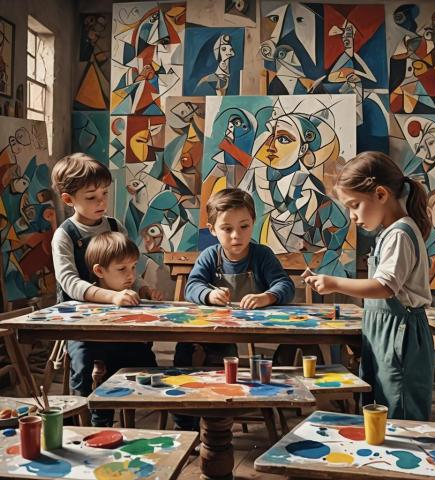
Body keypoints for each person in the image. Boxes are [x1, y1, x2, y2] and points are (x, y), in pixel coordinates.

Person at [303, 151, 434, 421]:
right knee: (378, 406)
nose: (351, 216)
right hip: (381, 333)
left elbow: (385, 286)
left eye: (354, 205)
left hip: (400, 336)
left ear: (381, 194)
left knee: (400, 409)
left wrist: (333, 283)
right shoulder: (389, 233)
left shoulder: (400, 233)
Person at [51, 153, 161, 426]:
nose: (101, 201)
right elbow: (70, 282)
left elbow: (125, 268)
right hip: (79, 323)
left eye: (104, 193)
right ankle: (81, 422)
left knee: (138, 355)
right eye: (91, 197)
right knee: (83, 364)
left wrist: (142, 287)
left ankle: (112, 415)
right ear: (68, 200)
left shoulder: (115, 226)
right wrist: (112, 297)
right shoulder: (65, 235)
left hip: (118, 321)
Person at [173, 188, 296, 430]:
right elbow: (192, 286)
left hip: (255, 330)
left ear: (252, 224)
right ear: (212, 230)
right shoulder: (210, 256)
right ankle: (188, 423)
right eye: (226, 229)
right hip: (218, 332)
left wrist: (267, 297)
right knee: (189, 350)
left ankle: (222, 417)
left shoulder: (262, 255)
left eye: (244, 227)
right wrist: (209, 294)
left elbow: (285, 285)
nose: (236, 235)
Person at [82, 231, 158, 425]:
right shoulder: (91, 299)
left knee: (151, 366)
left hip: (135, 358)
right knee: (100, 379)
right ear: (99, 271)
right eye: (122, 269)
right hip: (104, 362)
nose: (131, 275)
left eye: (133, 267)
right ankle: (100, 427)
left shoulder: (133, 295)